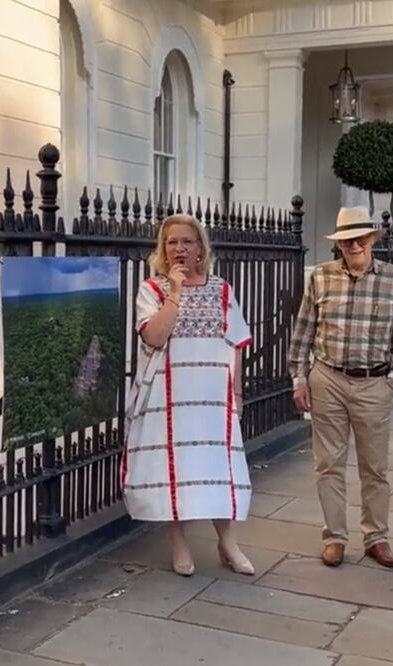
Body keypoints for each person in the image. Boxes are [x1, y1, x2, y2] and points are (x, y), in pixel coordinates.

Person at [124, 213, 255, 577]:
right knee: (176, 469)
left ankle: (227, 542)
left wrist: (238, 392)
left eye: (187, 241)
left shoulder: (222, 288)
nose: (179, 248)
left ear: (200, 248)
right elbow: (153, 336)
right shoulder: (152, 289)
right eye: (171, 242)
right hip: (170, 396)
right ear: (163, 250)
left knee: (219, 468)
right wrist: (176, 294)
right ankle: (179, 542)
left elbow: (236, 343)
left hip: (212, 397)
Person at [289, 206, 393, 569]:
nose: (354, 244)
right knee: (328, 464)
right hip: (327, 377)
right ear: (339, 243)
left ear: (372, 239)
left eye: (360, 238)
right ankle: (335, 537)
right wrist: (299, 378)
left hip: (374, 381)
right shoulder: (321, 278)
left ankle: (377, 537)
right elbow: (303, 330)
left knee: (375, 467)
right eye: (346, 239)